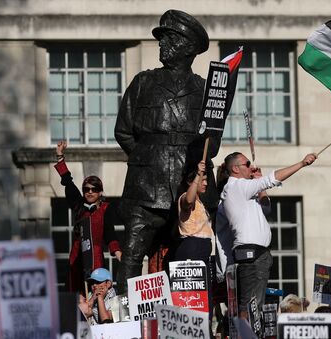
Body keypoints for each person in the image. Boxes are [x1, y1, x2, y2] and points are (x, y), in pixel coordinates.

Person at [114, 9, 221, 294]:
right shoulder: (143, 82)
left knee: (188, 262)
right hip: (146, 185)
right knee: (133, 254)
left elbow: (214, 145)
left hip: (189, 186)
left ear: (187, 47)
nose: (161, 45)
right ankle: (126, 319)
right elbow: (123, 131)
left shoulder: (204, 90)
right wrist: (147, 158)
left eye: (169, 39)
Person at [220, 151, 317, 318]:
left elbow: (266, 207)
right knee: (249, 306)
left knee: (254, 305)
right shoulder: (237, 186)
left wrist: (260, 184)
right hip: (251, 253)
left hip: (259, 254)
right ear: (235, 169)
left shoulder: (243, 190)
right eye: (247, 164)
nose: (251, 167)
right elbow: (272, 179)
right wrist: (301, 163)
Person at [54, 140, 121, 294]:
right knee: (76, 295)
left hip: (95, 258)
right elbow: (68, 183)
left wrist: (120, 256)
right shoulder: (79, 206)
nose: (90, 192)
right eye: (86, 189)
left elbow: (111, 235)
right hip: (77, 257)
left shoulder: (106, 208)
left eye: (94, 189)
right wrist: (60, 156)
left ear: (100, 192)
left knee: (96, 294)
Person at [175, 160, 214, 263]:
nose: (205, 183)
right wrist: (197, 174)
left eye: (206, 180)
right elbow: (188, 200)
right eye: (202, 180)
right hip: (192, 247)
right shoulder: (184, 197)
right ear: (189, 182)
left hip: (202, 248)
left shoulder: (200, 202)